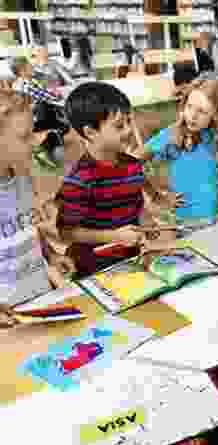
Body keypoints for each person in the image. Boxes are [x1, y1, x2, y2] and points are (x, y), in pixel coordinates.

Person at [57, 82, 172, 277]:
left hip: (130, 261)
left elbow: (135, 204)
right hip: (92, 270)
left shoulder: (132, 165)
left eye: (129, 121)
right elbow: (66, 232)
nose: (128, 130)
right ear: (90, 132)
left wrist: (146, 222)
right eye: (119, 125)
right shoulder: (79, 180)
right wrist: (114, 236)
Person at [0, 88, 76, 309]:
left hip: (40, 299)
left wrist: (51, 255)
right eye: (25, 137)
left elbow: (28, 226)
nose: (35, 143)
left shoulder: (23, 180)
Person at [131, 78, 218, 237]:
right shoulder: (171, 134)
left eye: (202, 111)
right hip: (184, 223)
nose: (192, 115)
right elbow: (131, 163)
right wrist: (157, 196)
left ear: (215, 114)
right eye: (189, 107)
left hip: (217, 218)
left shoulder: (216, 135)